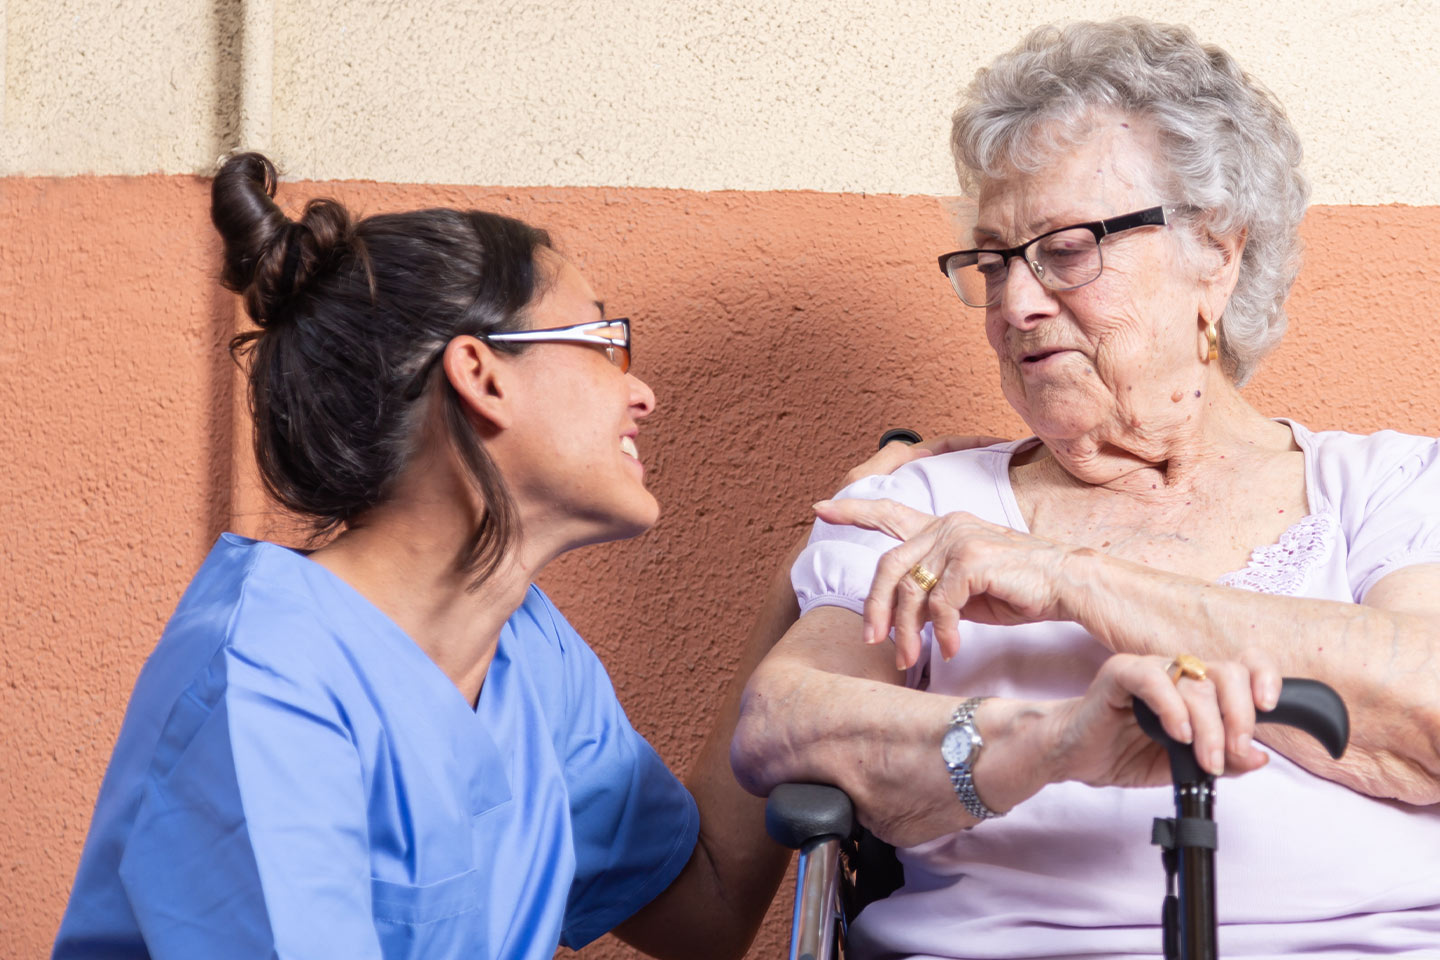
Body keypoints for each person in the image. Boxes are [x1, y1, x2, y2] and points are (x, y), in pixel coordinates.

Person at [731, 17, 1440, 958]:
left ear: (1217, 254)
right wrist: (1058, 741)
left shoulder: (1384, 484)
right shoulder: (929, 505)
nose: (1016, 304)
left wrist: (1077, 581)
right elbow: (785, 723)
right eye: (993, 262)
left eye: (1066, 250)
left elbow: (1428, 706)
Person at [51, 152, 821, 960]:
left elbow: (706, 906)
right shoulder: (264, 688)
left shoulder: (529, 654)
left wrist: (811, 578)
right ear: (481, 375)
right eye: (602, 341)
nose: (641, 393)